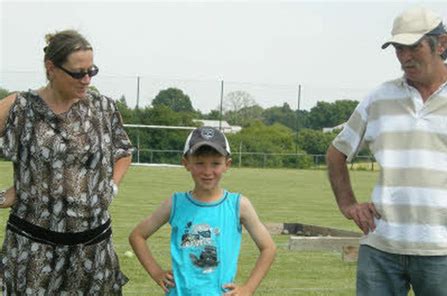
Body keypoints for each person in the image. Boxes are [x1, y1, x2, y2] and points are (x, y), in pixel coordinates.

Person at [326, 6, 447, 296]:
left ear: (440, 44)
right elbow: (336, 153)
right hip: (381, 244)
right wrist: (348, 205)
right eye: (398, 49)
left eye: (413, 47)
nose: (404, 57)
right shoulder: (380, 97)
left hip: (444, 246)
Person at [0, 29, 133, 294]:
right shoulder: (21, 108)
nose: (86, 79)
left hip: (92, 250)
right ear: (51, 68)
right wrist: (5, 195)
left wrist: (112, 186)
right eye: (77, 73)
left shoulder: (102, 108)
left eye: (91, 71)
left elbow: (123, 150)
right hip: (32, 249)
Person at [129, 126, 276, 295]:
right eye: (199, 163)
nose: (207, 172)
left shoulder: (238, 205)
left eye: (215, 164)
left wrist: (248, 288)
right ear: (186, 163)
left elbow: (268, 248)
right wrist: (156, 273)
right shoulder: (175, 203)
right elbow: (137, 236)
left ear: (227, 164)